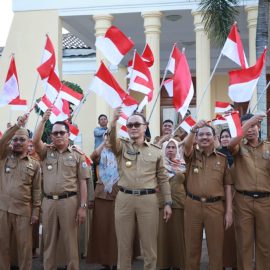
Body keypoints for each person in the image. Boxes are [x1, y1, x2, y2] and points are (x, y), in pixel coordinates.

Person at [110, 107, 172, 270]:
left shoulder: (156, 151)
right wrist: (114, 122)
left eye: (137, 124)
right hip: (124, 199)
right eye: (129, 125)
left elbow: (163, 178)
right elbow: (110, 142)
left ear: (145, 126)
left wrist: (167, 202)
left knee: (149, 247)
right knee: (123, 246)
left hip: (148, 200)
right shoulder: (121, 146)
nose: (133, 127)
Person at [33, 108, 92, 270]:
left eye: (62, 133)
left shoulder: (78, 155)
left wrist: (82, 207)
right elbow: (35, 141)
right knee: (49, 242)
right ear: (51, 136)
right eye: (55, 133)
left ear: (68, 135)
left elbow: (82, 183)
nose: (58, 136)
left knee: (70, 243)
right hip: (49, 202)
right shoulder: (46, 152)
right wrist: (44, 120)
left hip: (70, 202)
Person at [183, 121, 233, 270]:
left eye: (208, 134)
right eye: (201, 134)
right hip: (193, 205)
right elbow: (186, 146)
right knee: (192, 250)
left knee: (216, 250)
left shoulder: (222, 159)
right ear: (196, 138)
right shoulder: (191, 155)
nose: (204, 137)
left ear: (214, 137)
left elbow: (228, 186)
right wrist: (193, 129)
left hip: (215, 207)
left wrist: (229, 211)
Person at [228, 113, 270, 270]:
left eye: (253, 125)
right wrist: (246, 125)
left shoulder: (268, 147)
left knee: (264, 245)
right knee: (244, 244)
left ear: (259, 127)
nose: (250, 129)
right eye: (246, 126)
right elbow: (231, 144)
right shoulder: (239, 148)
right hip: (243, 201)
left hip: (265, 202)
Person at [0, 114, 41, 270]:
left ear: (28, 142)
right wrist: (16, 126)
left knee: (24, 249)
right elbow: (2, 142)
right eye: (15, 139)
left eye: (22, 140)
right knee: (2, 247)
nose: (17, 143)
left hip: (23, 211)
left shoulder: (35, 165)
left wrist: (36, 211)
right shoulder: (4, 157)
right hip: (3, 209)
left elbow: (37, 189)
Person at [87, 133, 119, 269]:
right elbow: (92, 157)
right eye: (106, 138)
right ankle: (105, 261)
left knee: (116, 230)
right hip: (101, 194)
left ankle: (117, 260)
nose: (108, 141)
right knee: (102, 229)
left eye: (111, 138)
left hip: (117, 193)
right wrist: (103, 142)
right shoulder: (102, 154)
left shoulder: (120, 154)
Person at [157, 138, 186, 270]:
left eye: (173, 147)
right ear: (164, 149)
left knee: (178, 236)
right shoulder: (158, 164)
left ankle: (178, 264)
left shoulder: (183, 165)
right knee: (162, 236)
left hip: (180, 203)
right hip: (162, 203)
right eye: (168, 147)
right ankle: (164, 264)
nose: (170, 150)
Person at [218, 129, 237, 270]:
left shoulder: (238, 154)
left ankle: (236, 263)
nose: (225, 139)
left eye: (227, 136)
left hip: (239, 198)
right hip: (222, 199)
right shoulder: (217, 154)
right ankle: (223, 264)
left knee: (237, 234)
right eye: (222, 137)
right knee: (222, 234)